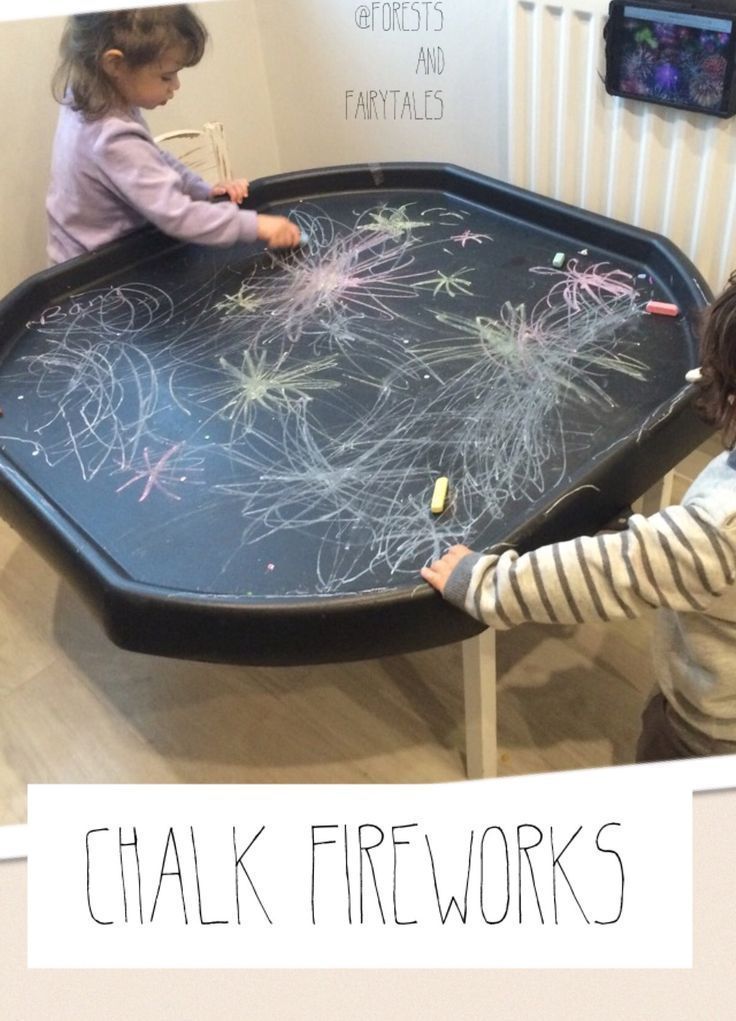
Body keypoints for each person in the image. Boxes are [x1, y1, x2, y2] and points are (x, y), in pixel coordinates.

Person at [421, 273, 736, 763]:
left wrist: (483, 585)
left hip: (707, 736)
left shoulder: (719, 533)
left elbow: (602, 574)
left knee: (681, 823)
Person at [46, 6, 300, 264]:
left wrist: (204, 191)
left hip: (83, 254)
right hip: (94, 272)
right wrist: (256, 225)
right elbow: (178, 216)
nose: (175, 86)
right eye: (166, 76)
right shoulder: (112, 137)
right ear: (115, 64)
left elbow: (152, 159)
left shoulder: (87, 93)